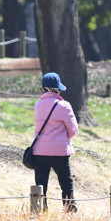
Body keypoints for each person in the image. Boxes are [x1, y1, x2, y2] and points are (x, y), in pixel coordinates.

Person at [32, 72, 79, 212]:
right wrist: (64, 137)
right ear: (57, 89)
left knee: (41, 183)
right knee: (66, 182)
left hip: (40, 150)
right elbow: (73, 129)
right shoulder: (64, 106)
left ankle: (39, 210)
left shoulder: (38, 105)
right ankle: (70, 209)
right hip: (59, 151)